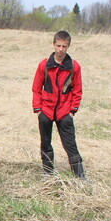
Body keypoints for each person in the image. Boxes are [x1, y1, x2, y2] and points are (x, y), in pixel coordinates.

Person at [32, 30, 85, 178]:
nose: (61, 50)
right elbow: (36, 88)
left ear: (68, 46)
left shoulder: (74, 67)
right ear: (53, 45)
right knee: (46, 143)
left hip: (64, 111)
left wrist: (72, 110)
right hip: (46, 110)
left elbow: (78, 89)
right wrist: (38, 109)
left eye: (64, 46)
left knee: (71, 145)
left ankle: (79, 176)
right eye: (59, 46)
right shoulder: (44, 65)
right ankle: (48, 173)